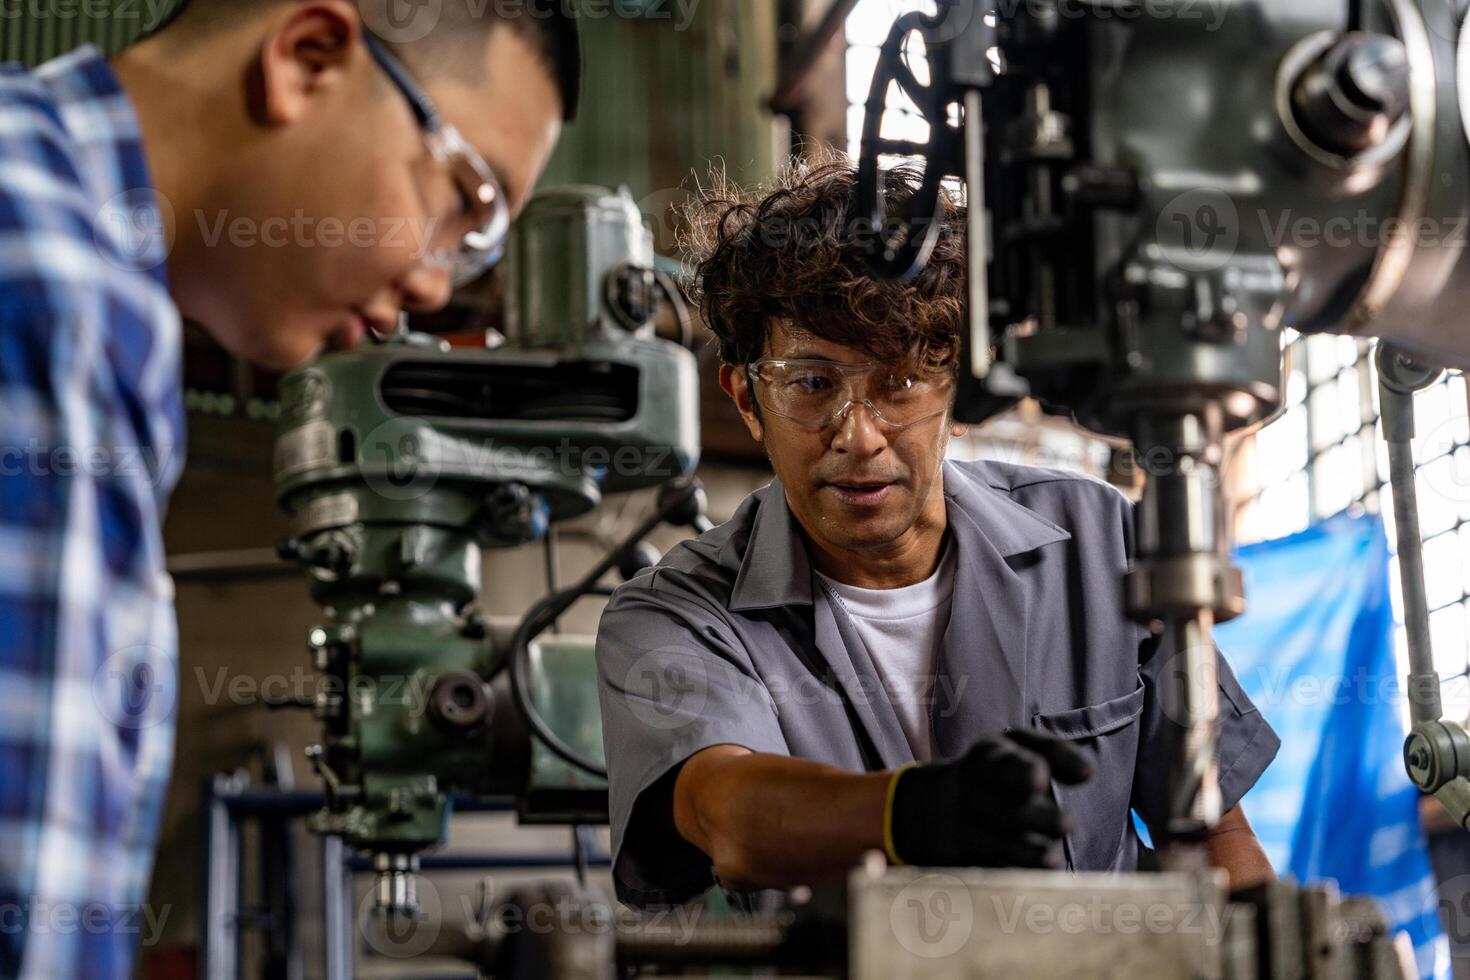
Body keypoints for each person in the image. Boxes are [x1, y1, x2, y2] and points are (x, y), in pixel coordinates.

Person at [0, 1, 578, 975]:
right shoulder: (50, 283)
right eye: (466, 199)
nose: (440, 286)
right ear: (308, 58)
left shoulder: (89, 272)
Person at [595, 159, 1280, 910]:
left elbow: (1213, 838)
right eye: (812, 384)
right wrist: (913, 813)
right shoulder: (676, 615)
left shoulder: (1101, 545)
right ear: (748, 399)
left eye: (898, 382)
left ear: (955, 377)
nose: (858, 437)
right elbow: (725, 813)